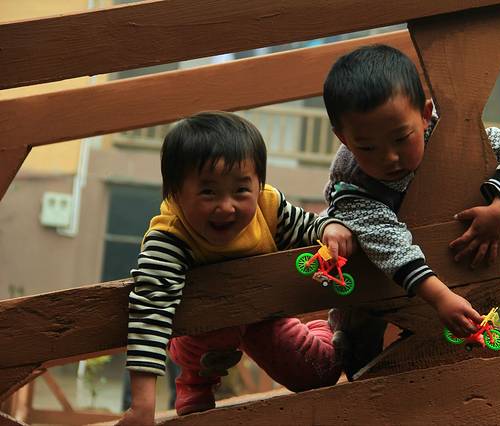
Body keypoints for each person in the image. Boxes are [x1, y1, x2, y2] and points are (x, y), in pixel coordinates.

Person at [117, 112, 352, 425]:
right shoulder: (170, 239)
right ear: (175, 193)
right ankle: (194, 380)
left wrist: (328, 227)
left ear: (258, 186)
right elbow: (149, 316)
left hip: (264, 314)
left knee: (319, 373)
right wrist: (143, 406)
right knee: (205, 340)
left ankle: (319, 330)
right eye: (208, 192)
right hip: (201, 328)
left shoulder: (268, 207)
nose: (226, 206)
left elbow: (306, 227)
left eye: (241, 190)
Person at [322, 44, 500, 379]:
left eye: (401, 138)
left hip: (451, 263)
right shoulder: (353, 185)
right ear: (344, 139)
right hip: (383, 280)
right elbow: (387, 242)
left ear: (424, 115)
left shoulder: (453, 135)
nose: (389, 157)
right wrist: (439, 298)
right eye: (368, 147)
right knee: (361, 336)